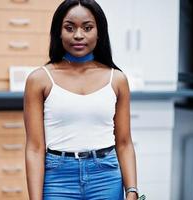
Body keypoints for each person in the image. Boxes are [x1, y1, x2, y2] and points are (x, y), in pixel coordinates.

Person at [23, 0, 138, 199]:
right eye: (69, 28)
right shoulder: (39, 79)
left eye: (87, 28)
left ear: (99, 32)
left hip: (106, 177)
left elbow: (124, 143)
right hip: (57, 179)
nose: (78, 35)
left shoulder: (117, 79)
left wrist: (132, 191)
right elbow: (34, 148)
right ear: (58, 32)